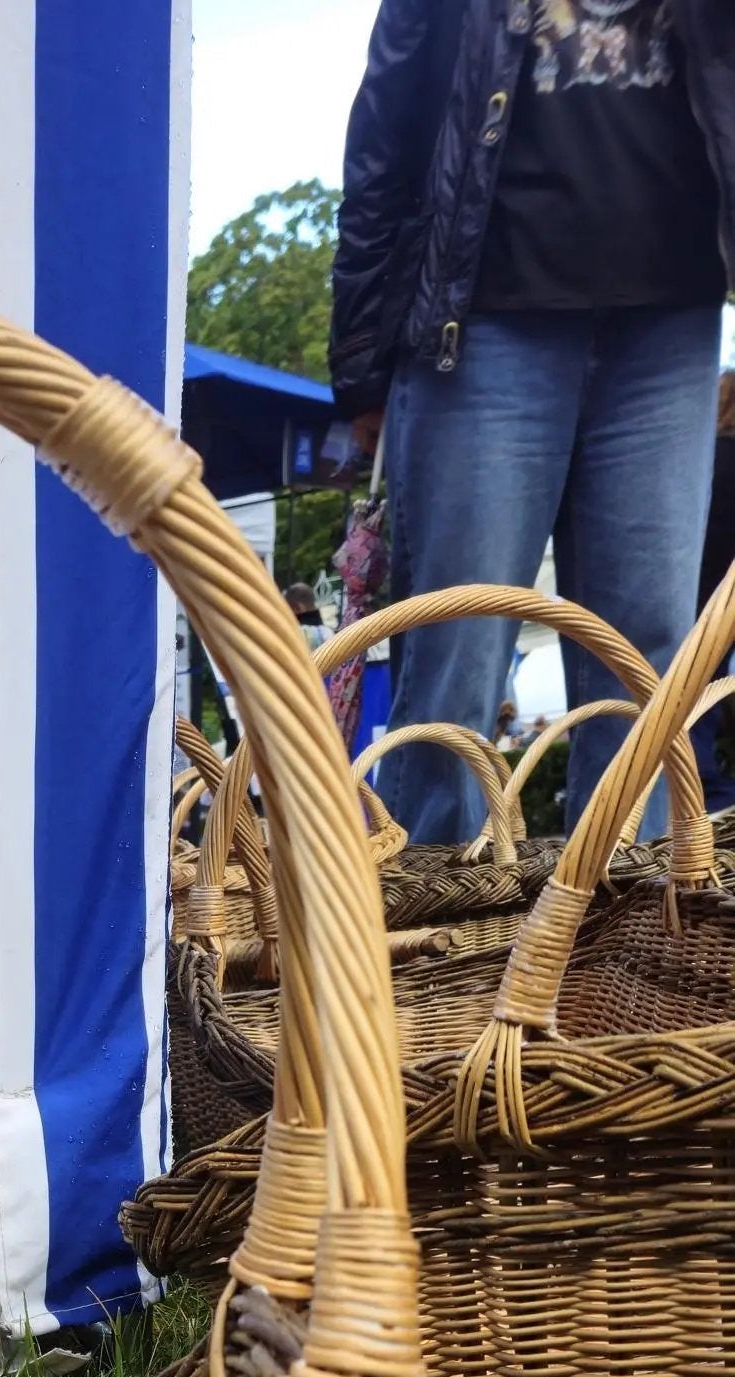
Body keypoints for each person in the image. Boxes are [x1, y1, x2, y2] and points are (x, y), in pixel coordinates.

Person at [332, 1, 735, 843]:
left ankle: (625, 944)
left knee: (646, 665)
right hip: (479, 320)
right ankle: (433, 944)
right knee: (456, 656)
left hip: (672, 317)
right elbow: (387, 129)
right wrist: (364, 363)